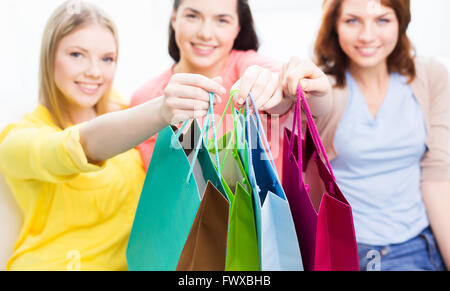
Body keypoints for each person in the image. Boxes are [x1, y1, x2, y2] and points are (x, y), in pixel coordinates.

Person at [0, 1, 227, 271]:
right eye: (77, 55)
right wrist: (160, 110)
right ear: (49, 56)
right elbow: (78, 146)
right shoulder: (18, 138)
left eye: (107, 59)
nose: (94, 72)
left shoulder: (126, 109)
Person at [276, 0, 449, 271]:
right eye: (352, 20)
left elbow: (437, 177)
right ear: (334, 25)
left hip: (418, 246)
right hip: (348, 250)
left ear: (401, 23)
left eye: (382, 20)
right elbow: (309, 105)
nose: (367, 36)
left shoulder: (429, 76)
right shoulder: (324, 87)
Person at [130, 0, 332, 172]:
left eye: (222, 20)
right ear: (174, 18)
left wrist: (280, 90)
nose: (206, 34)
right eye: (193, 16)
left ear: (238, 28)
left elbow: (285, 93)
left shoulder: (252, 68)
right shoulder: (145, 97)